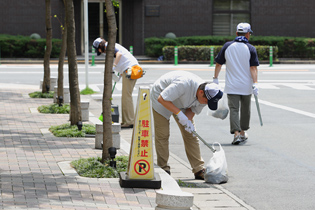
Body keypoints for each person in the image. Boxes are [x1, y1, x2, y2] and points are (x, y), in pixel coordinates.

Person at [151, 71, 223, 179]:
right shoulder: (183, 84)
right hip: (161, 97)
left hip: (182, 103)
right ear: (201, 92)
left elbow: (192, 109)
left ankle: (198, 169)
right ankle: (163, 168)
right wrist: (179, 114)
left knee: (191, 134)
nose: (206, 104)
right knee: (163, 134)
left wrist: (188, 121)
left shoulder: (205, 97)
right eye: (206, 101)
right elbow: (162, 98)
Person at [213, 22, 259, 145]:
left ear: (236, 33)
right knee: (245, 110)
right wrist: (255, 83)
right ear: (248, 34)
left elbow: (218, 64)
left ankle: (236, 134)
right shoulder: (250, 48)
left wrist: (215, 78)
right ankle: (243, 132)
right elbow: (253, 68)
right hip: (246, 86)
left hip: (232, 85)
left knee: (234, 109)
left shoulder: (227, 46)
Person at [93, 37, 143, 128]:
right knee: (126, 96)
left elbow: (119, 54)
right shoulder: (111, 46)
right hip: (128, 70)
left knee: (126, 96)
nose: (101, 52)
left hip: (131, 70)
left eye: (99, 50)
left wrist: (114, 66)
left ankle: (129, 121)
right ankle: (126, 121)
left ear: (100, 46)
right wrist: (119, 73)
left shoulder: (109, 46)